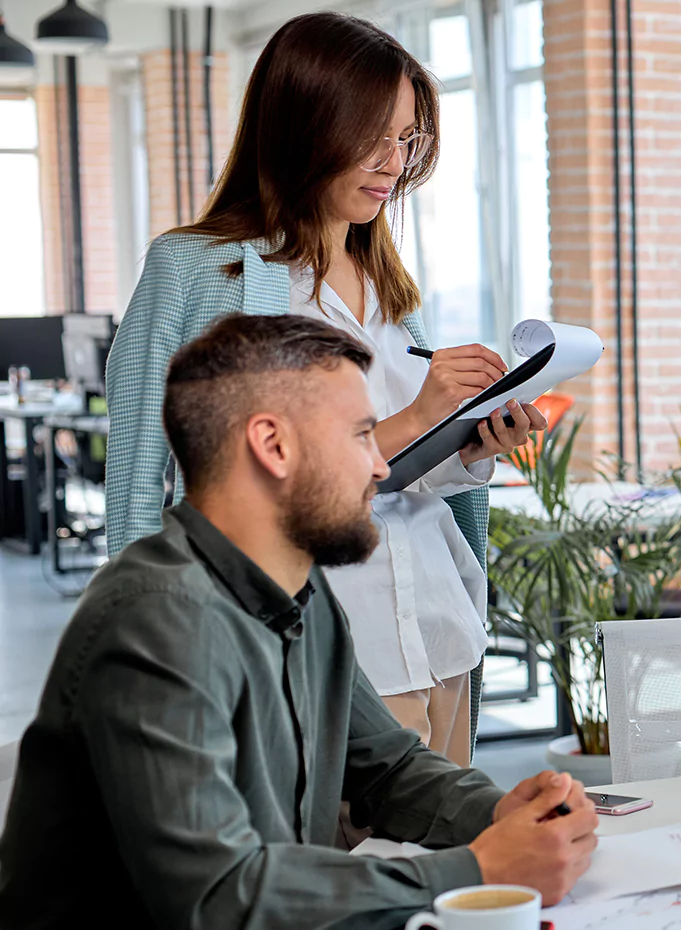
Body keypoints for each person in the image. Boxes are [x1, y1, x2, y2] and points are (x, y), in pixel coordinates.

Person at [0, 315, 599, 929]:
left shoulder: (299, 586)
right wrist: (479, 870)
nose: (379, 467)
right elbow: (216, 896)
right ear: (273, 445)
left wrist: (501, 814)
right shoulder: (152, 622)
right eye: (361, 436)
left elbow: (388, 768)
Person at [104, 12, 546, 765]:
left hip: (438, 631)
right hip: (325, 646)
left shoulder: (392, 289)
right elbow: (138, 481)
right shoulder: (197, 272)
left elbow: (407, 472)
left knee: (443, 878)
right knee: (341, 878)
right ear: (305, 123)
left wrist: (473, 445)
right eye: (373, 134)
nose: (393, 161)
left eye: (407, 138)